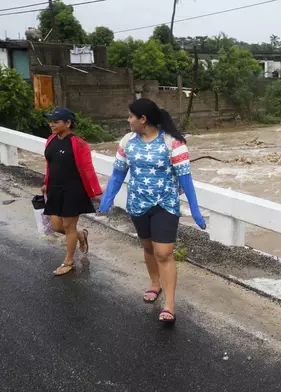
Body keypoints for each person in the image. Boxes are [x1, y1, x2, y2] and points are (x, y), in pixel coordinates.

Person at [98, 98, 206, 325]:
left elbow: (186, 180)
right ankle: (154, 284)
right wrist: (106, 199)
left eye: (130, 116)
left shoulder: (172, 143)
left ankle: (169, 305)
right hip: (137, 204)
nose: (128, 121)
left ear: (143, 119)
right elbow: (118, 173)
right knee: (148, 247)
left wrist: (195, 210)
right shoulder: (128, 141)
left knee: (164, 253)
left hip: (165, 205)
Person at [42, 108, 103, 276]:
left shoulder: (78, 143)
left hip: (73, 190)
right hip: (54, 188)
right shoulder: (51, 140)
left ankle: (69, 262)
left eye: (56, 122)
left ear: (67, 123)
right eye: (51, 121)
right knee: (56, 226)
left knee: (69, 226)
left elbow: (88, 168)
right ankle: (81, 235)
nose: (51, 124)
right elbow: (50, 164)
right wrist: (46, 183)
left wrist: (96, 191)